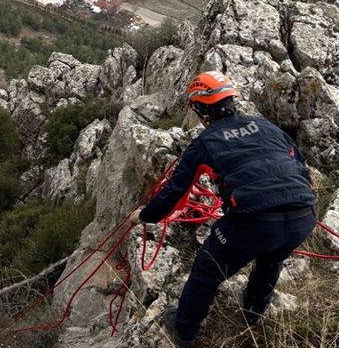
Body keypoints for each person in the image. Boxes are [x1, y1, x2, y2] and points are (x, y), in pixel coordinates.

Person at [128, 70, 316, 348]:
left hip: (254, 220)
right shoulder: (267, 127)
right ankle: (253, 312)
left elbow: (176, 192)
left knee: (207, 271)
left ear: (200, 109)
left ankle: (184, 331)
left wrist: (145, 216)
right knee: (271, 259)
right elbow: (300, 166)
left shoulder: (205, 142)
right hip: (303, 214)